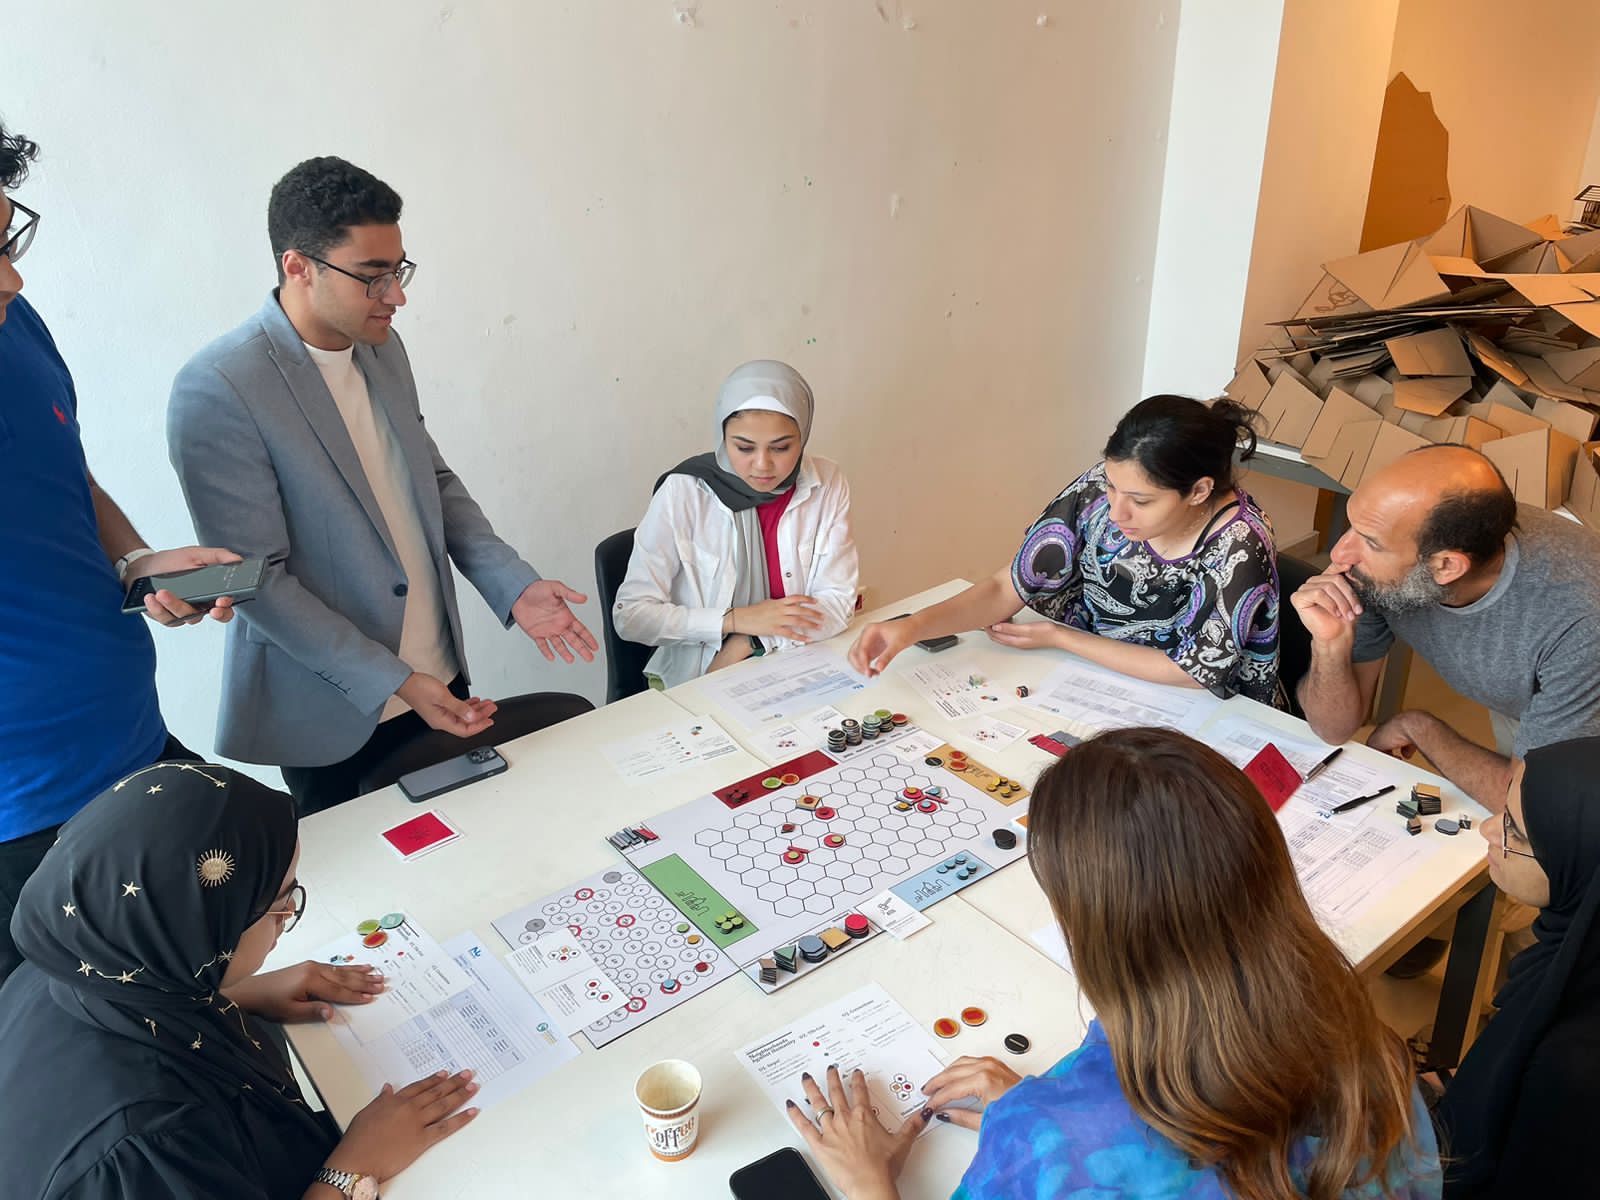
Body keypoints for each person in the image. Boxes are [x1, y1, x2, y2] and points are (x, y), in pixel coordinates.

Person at [787, 728, 1441, 1200]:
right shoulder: (1369, 1047)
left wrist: (869, 1183)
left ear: (1091, 930)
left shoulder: (1042, 1143)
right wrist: (1061, 1113)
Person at [168, 156, 597, 814]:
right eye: (372, 277)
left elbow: (431, 480)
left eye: (399, 270)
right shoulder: (222, 387)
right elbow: (254, 580)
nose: (396, 296)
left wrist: (511, 584)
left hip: (438, 675)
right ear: (298, 266)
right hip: (330, 708)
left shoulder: (382, 348)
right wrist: (393, 679)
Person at [0, 762, 477, 1198]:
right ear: (201, 929)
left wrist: (235, 994)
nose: (287, 917)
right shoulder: (146, 1147)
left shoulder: (72, 956)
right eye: (280, 904)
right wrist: (353, 1169)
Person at [0, 119, 240, 984]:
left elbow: (65, 469)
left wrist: (135, 561)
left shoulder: (15, 323)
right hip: (23, 825)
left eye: (7, 238)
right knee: (96, 1048)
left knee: (225, 972)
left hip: (132, 740)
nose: (15, 277)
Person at [848, 395, 1280, 705]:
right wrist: (914, 627)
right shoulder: (1101, 489)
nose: (1116, 511)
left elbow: (1191, 672)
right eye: (1112, 486)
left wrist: (1062, 638)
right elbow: (1006, 587)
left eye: (1140, 501)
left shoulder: (1240, 544)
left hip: (1198, 707)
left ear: (1199, 491)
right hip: (1091, 682)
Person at [1291, 444, 1600, 808]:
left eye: (1370, 542)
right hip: (1530, 691)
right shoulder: (1376, 570)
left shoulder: (1578, 625)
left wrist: (1420, 729)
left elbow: (1531, 806)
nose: (1339, 554)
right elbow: (1333, 729)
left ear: (1446, 567)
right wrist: (1329, 645)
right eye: (1351, 525)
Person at [613, 360, 858, 688]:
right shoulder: (685, 492)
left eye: (781, 447)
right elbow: (631, 616)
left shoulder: (826, 482)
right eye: (744, 447)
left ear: (804, 435)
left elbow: (838, 603)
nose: (762, 464)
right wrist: (734, 620)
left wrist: (750, 640)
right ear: (722, 437)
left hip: (797, 663)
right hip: (697, 676)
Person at [1434, 737, 1600, 1196]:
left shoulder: (1568, 1072)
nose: (1489, 829)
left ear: (1575, 861)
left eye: (1516, 831)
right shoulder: (1572, 956)